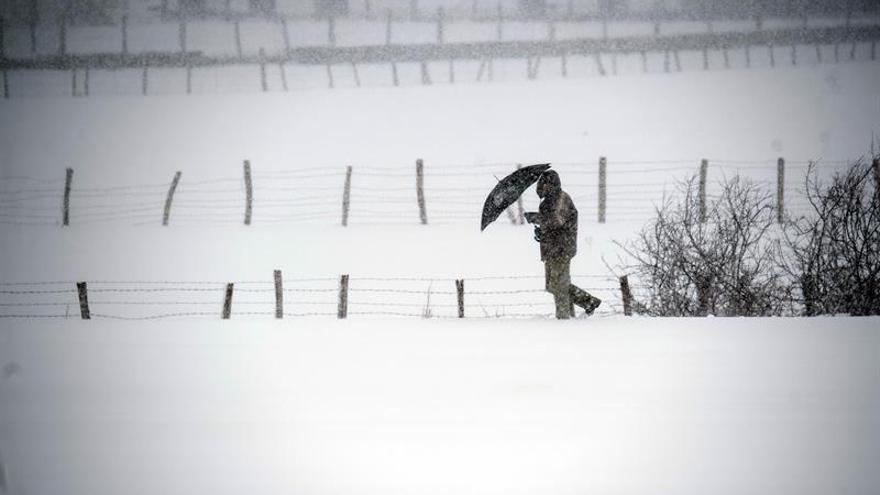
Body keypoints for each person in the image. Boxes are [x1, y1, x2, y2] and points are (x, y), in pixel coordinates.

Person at [530, 170, 601, 319]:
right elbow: (550, 226)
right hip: (550, 248)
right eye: (542, 184)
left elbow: (557, 220)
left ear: (552, 184)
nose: (542, 187)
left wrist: (537, 218)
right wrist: (541, 233)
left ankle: (564, 318)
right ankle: (588, 302)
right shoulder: (546, 203)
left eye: (545, 184)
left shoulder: (562, 199)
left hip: (562, 248)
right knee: (552, 285)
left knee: (559, 285)